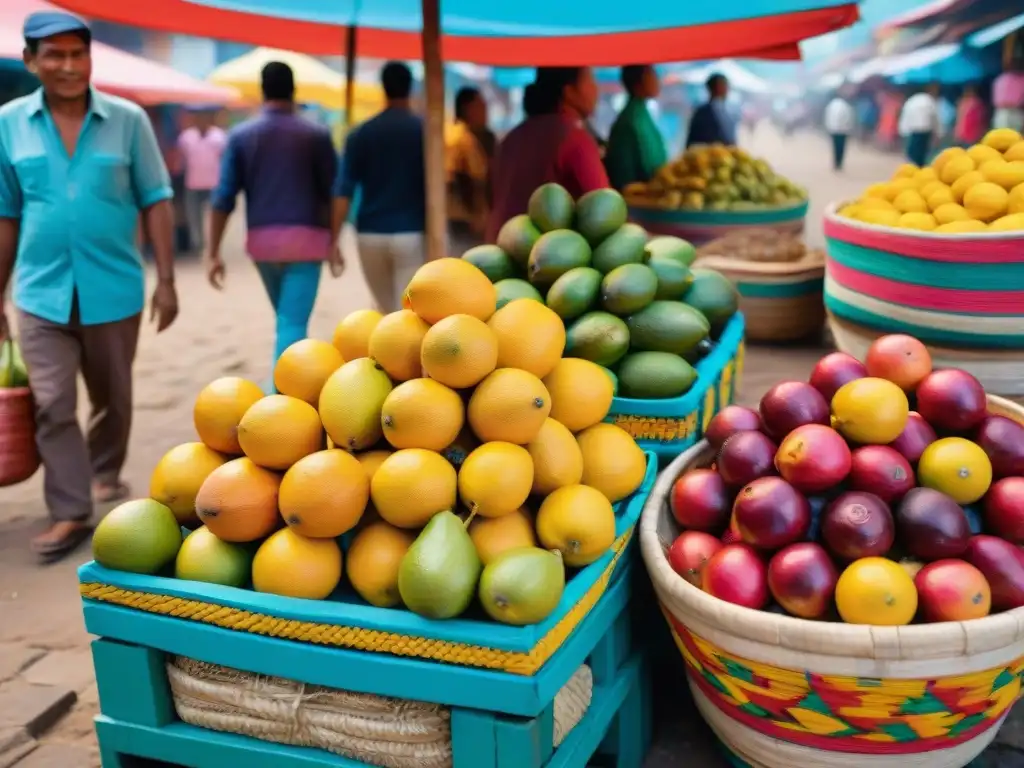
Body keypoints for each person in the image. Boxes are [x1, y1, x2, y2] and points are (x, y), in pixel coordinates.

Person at [0, 11, 178, 559]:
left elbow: (157, 198)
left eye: (78, 54)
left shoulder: (128, 121)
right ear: (31, 61)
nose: (68, 65)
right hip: (38, 291)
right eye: (54, 55)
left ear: (90, 59)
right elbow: (7, 212)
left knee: (113, 397)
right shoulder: (9, 123)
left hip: (114, 287)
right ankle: (70, 511)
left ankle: (105, 470)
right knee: (52, 403)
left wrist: (167, 281)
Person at [207, 61, 339, 377]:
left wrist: (212, 252)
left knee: (285, 317)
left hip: (262, 243)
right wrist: (334, 241)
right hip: (308, 243)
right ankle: (281, 398)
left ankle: (287, 392)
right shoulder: (317, 135)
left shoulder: (241, 135)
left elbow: (223, 197)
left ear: (262, 90)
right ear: (293, 90)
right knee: (292, 321)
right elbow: (335, 193)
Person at [331, 62, 425, 313]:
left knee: (386, 312)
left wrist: (333, 240)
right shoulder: (426, 132)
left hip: (369, 235)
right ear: (410, 88)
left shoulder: (361, 134)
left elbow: (343, 190)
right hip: (413, 233)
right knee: (408, 314)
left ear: (383, 87)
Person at [487, 67, 608, 242]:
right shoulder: (575, 139)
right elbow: (606, 208)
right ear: (569, 92)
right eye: (591, 80)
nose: (597, 89)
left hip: (496, 248)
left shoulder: (512, 137)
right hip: (543, 257)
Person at [604, 65, 668, 190]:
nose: (657, 79)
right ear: (640, 81)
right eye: (652, 74)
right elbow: (649, 166)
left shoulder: (641, 113)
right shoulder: (632, 119)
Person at [446, 87, 490, 254]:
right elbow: (465, 179)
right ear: (467, 108)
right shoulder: (463, 139)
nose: (486, 112)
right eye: (481, 106)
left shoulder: (451, 132)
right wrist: (477, 215)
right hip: (464, 219)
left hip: (454, 217)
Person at [177, 108, 226, 254]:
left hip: (213, 183)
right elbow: (182, 159)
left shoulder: (219, 137)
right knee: (195, 216)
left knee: (212, 216)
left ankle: (212, 244)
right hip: (193, 183)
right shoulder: (186, 137)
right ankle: (199, 244)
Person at [686, 73, 737, 147]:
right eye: (723, 86)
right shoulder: (701, 113)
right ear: (712, 88)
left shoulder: (730, 110)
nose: (726, 89)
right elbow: (692, 141)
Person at [899, 84, 941, 167]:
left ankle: (912, 169)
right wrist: (938, 133)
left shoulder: (912, 100)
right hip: (925, 130)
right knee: (922, 153)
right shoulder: (930, 101)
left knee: (912, 152)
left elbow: (905, 115)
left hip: (913, 129)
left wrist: (902, 130)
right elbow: (935, 118)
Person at [823, 90, 855, 171]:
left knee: (835, 147)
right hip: (843, 130)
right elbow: (848, 118)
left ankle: (836, 163)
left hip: (833, 129)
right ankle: (839, 163)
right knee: (841, 148)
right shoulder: (845, 105)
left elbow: (827, 117)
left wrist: (829, 127)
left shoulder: (831, 105)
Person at [992, 64, 1024, 133]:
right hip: (1002, 111)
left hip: (1016, 111)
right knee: (1001, 134)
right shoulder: (1000, 79)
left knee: (1017, 135)